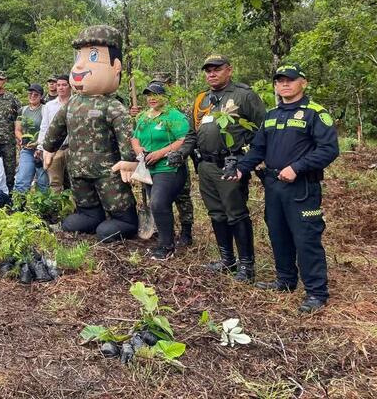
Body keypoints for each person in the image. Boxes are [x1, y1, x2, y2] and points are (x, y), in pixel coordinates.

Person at [230, 65, 338, 313]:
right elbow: (258, 149)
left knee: (306, 238)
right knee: (278, 233)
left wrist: (297, 167)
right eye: (280, 81)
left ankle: (316, 293)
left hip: (301, 187)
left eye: (290, 80)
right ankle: (286, 280)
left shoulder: (315, 113)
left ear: (303, 83)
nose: (285, 84)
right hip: (274, 185)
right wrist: (241, 168)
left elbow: (329, 149)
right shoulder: (271, 115)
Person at [42, 25, 139, 243]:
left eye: (93, 56)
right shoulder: (72, 103)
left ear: (116, 67)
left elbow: (126, 133)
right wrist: (49, 147)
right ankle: (90, 215)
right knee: (83, 206)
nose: (79, 66)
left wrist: (129, 159)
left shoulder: (112, 106)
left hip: (107, 170)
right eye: (80, 56)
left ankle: (125, 220)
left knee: (117, 203)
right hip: (78, 168)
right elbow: (57, 126)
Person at [182, 54, 266, 282]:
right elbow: (192, 134)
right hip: (206, 165)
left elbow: (263, 130)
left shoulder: (244, 95)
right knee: (216, 213)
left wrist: (250, 159)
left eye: (217, 69)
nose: (212, 74)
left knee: (236, 213)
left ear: (229, 70)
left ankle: (246, 265)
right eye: (208, 70)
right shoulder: (202, 99)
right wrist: (182, 153)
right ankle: (227, 260)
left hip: (231, 165)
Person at [130, 73, 195, 247]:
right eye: (149, 95)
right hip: (149, 168)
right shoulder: (143, 117)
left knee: (179, 198)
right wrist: (138, 149)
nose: (152, 98)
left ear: (165, 96)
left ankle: (185, 232)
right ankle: (166, 233)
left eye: (156, 95)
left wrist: (160, 153)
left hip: (171, 166)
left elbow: (185, 139)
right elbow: (135, 137)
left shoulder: (174, 115)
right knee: (157, 203)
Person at [38, 74, 72, 193]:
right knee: (55, 183)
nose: (61, 88)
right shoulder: (49, 106)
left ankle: (75, 204)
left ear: (70, 86)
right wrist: (41, 147)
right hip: (54, 150)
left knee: (74, 182)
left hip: (73, 148)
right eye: (58, 85)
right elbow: (44, 127)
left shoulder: (76, 103)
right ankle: (56, 204)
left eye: (64, 85)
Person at [13, 83, 49, 193]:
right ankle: (20, 202)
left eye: (36, 94)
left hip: (41, 149)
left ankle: (43, 203)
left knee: (43, 182)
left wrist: (38, 143)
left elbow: (48, 129)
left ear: (41, 96)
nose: (32, 96)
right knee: (22, 180)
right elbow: (18, 130)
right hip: (27, 149)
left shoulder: (45, 109)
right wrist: (23, 139)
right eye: (30, 93)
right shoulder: (23, 110)